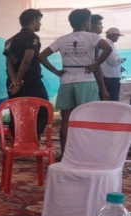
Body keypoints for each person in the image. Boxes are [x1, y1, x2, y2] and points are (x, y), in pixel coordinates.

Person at [39, 8, 112, 153]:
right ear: (85, 22)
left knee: (66, 120)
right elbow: (108, 49)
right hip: (86, 81)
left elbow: (41, 56)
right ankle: (86, 153)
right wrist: (95, 65)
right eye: (89, 21)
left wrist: (56, 72)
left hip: (66, 81)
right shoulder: (92, 37)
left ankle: (65, 154)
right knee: (88, 118)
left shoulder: (62, 39)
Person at [4, 9, 49, 138]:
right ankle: (32, 140)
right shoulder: (33, 37)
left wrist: (14, 81)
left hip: (13, 83)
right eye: (39, 21)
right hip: (30, 82)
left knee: (17, 112)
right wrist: (19, 80)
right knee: (42, 110)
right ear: (33, 21)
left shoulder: (9, 41)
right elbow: (26, 60)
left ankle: (18, 140)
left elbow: (9, 63)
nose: (40, 24)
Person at [101, 27, 126, 102]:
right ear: (112, 35)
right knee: (113, 100)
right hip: (110, 77)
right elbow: (113, 61)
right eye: (117, 36)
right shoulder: (108, 45)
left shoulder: (107, 44)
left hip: (108, 76)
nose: (118, 38)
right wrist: (121, 60)